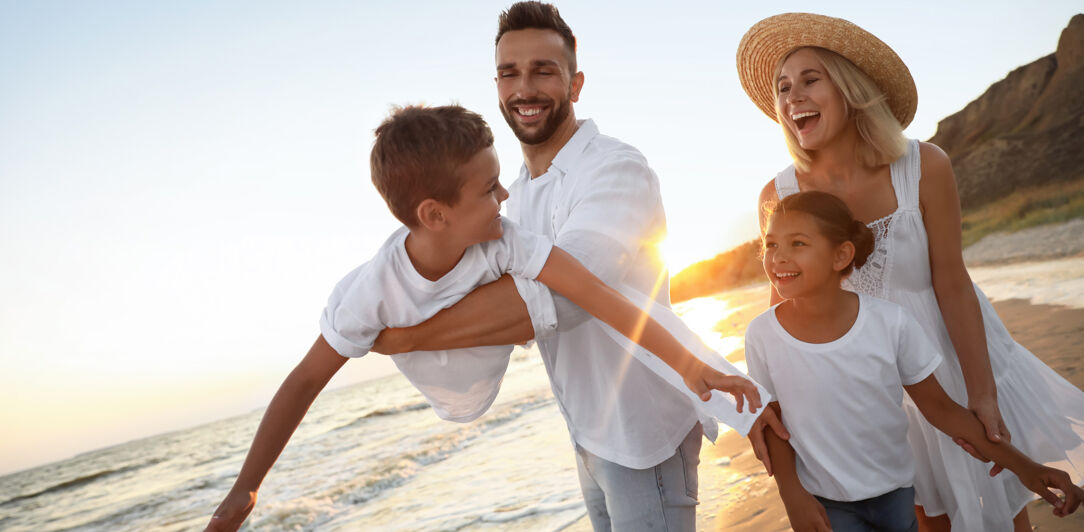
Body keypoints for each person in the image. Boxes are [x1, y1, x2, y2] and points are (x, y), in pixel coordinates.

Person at [203, 104, 764, 532]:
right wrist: (246, 489)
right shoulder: (369, 295)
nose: (505, 193)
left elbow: (595, 294)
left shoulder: (502, 240)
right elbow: (305, 380)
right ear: (434, 214)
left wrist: (693, 368)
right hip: (450, 395)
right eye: (487, 188)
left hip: (540, 388)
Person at [369, 3, 788, 530]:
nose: (524, 88)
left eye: (543, 70)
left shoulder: (615, 169)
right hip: (585, 430)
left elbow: (557, 300)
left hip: (642, 432)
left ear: (575, 83)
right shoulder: (511, 198)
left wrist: (407, 337)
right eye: (509, 72)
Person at [737, 12, 1084, 531]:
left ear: (850, 88)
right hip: (870, 383)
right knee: (925, 518)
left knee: (1006, 513)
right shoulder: (780, 194)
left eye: (811, 80)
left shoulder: (924, 164)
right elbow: (788, 318)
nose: (792, 98)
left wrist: (981, 393)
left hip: (956, 355)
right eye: (783, 88)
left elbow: (952, 281)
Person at [747, 190, 1082, 531]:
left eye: (798, 244)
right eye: (771, 244)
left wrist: (1026, 467)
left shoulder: (889, 323)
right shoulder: (762, 335)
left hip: (897, 493)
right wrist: (792, 495)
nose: (778, 257)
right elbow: (773, 424)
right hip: (825, 501)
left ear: (841, 255)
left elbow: (941, 408)